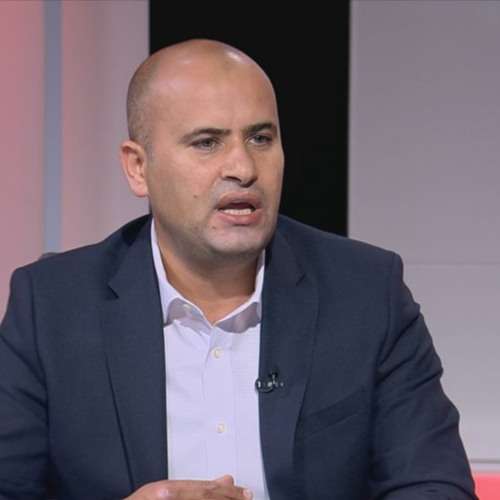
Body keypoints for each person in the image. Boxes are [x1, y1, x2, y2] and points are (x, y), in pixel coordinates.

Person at [0, 39, 476, 500]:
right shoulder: (52, 307)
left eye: (260, 138)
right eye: (207, 142)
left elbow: (433, 485)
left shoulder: (366, 292)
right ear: (138, 168)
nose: (243, 168)